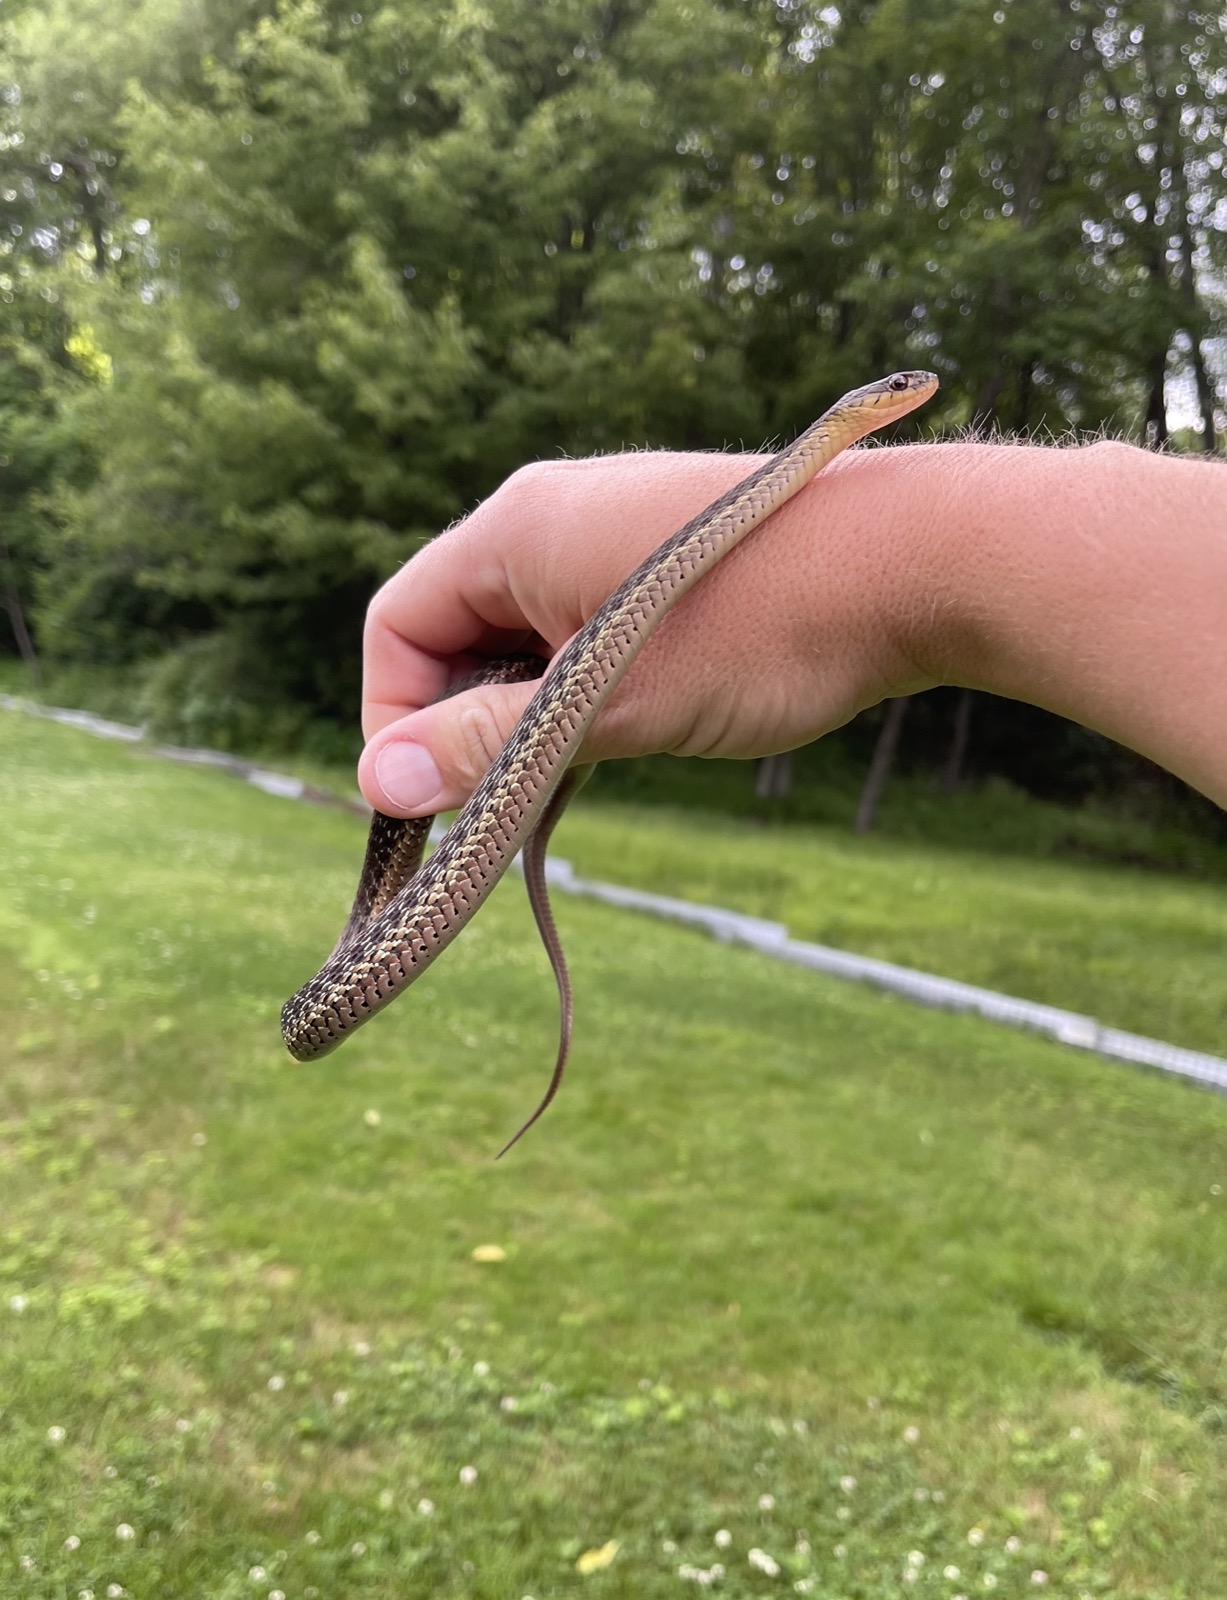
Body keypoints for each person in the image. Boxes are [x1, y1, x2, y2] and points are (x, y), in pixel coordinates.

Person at [355, 435, 1227, 818]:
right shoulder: (795, 461)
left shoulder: (803, 469)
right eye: (891, 389)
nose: (909, 393)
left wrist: (916, 552)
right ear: (858, 404)